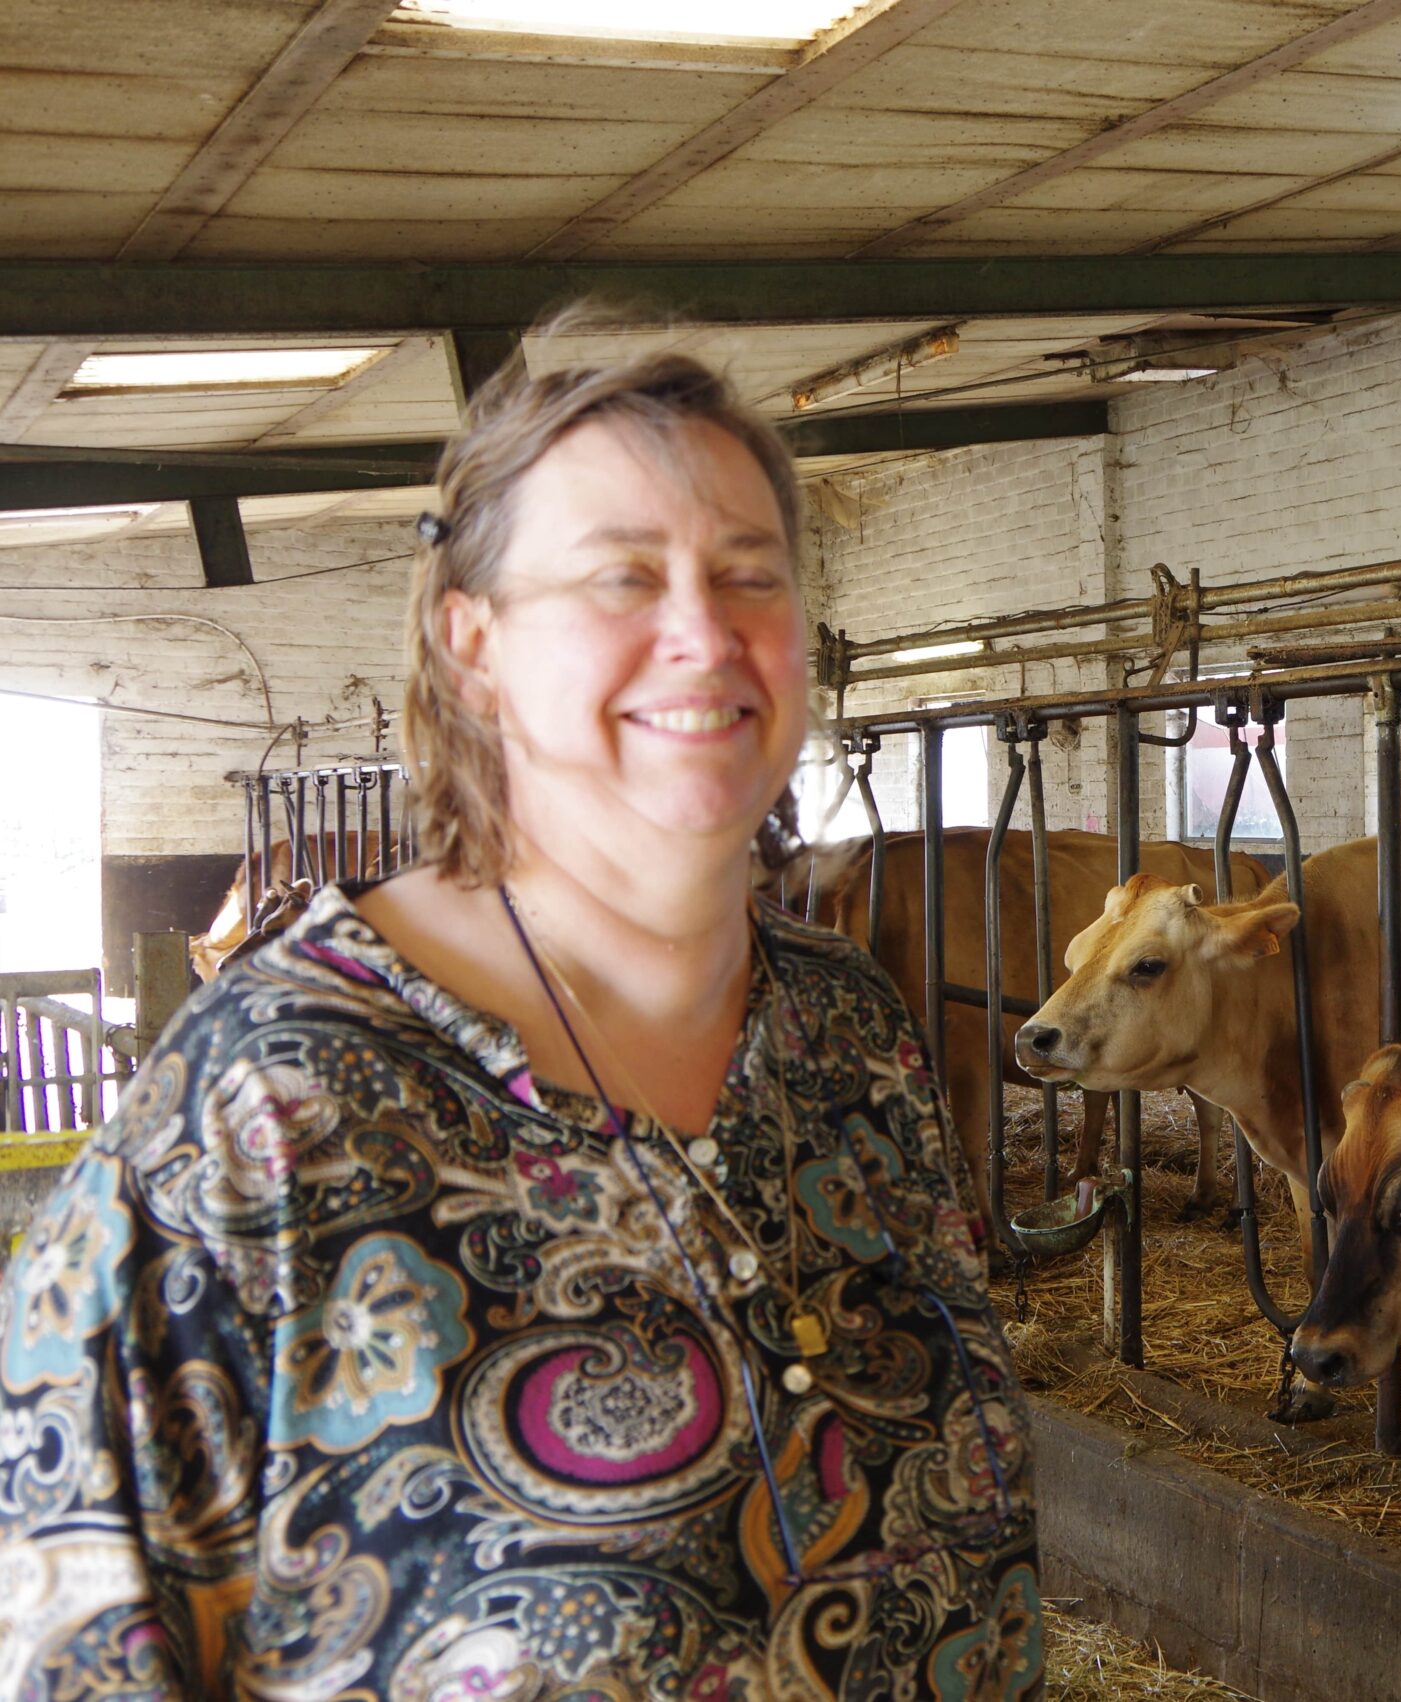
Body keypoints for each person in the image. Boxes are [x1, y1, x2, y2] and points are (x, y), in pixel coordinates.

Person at [0, 338, 1042, 1698]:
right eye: (623, 573)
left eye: (750, 572)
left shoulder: (850, 1030)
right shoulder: (257, 1108)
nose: (706, 630)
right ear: (473, 642)